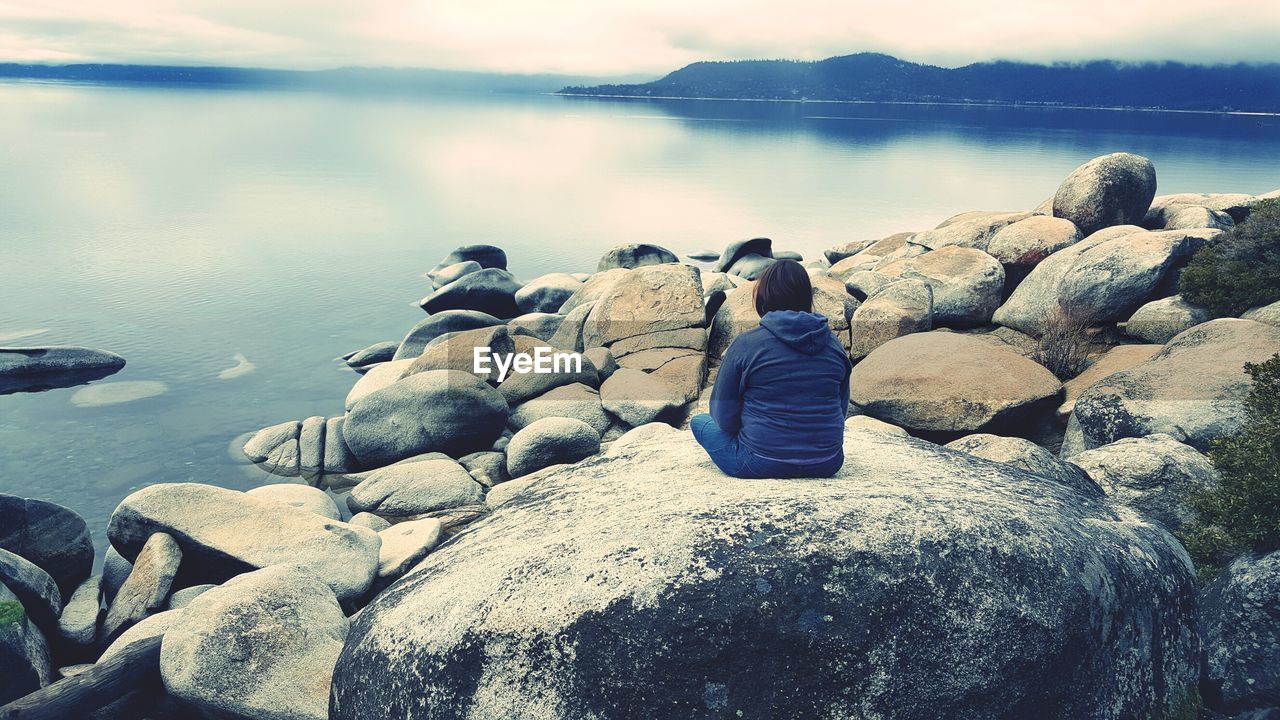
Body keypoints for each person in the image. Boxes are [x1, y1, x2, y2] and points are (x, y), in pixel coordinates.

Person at [691, 259, 852, 478]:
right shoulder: (834, 346)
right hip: (828, 461)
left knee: (700, 421)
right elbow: (840, 411)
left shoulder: (746, 344)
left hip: (759, 462)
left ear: (764, 296)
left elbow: (722, 416)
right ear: (807, 297)